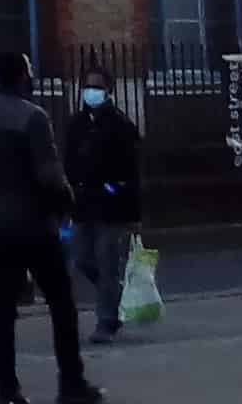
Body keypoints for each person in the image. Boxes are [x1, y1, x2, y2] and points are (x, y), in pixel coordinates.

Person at [0, 51, 101, 404]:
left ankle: (7, 389)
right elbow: (49, 174)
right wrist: (67, 204)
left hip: (0, 224)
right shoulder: (35, 118)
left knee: (4, 309)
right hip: (36, 225)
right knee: (61, 304)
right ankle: (71, 384)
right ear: (23, 75)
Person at [63, 68, 142, 345]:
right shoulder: (77, 124)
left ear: (108, 92)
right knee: (83, 258)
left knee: (107, 263)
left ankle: (106, 321)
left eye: (96, 87)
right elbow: (68, 161)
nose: (90, 92)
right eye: (87, 86)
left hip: (111, 206)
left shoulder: (120, 125)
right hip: (83, 204)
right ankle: (116, 298)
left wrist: (130, 208)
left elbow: (131, 172)